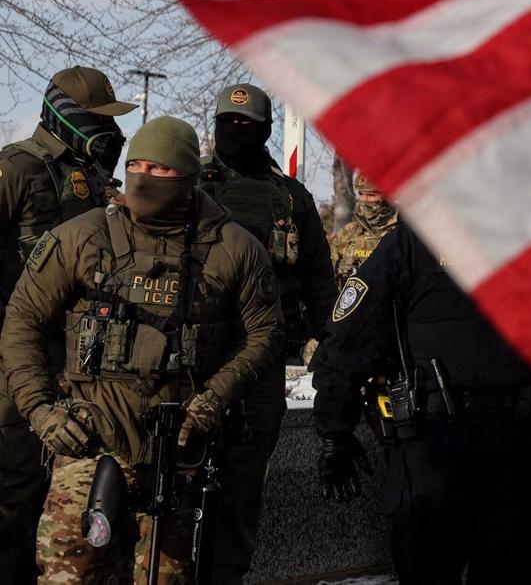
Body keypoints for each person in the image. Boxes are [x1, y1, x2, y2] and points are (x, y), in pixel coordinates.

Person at [0, 117, 284, 583]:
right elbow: (22, 320)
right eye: (135, 165)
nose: (143, 177)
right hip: (89, 443)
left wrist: (213, 400)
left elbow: (265, 334)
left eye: (158, 169)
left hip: (178, 452)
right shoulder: (81, 236)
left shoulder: (233, 248)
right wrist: (40, 410)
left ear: (188, 176)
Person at [313, 223, 531, 583]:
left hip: (436, 447)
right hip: (513, 442)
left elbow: (347, 343)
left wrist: (334, 431)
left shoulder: (409, 243)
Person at [0, 66, 134, 585]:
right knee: (13, 494)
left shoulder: (99, 182)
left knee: (63, 505)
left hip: (81, 367)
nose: (110, 132)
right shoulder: (16, 169)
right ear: (68, 115)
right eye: (99, 119)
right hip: (17, 364)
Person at [197, 83, 336, 583]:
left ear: (266, 132)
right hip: (196, 356)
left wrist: (331, 342)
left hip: (263, 357)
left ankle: (228, 573)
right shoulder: (193, 187)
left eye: (247, 125)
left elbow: (319, 280)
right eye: (227, 124)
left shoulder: (291, 198)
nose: (236, 132)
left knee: (244, 478)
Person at [329, 172, 399, 291]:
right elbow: (328, 279)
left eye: (371, 195)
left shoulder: (402, 234)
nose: (365, 200)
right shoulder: (348, 233)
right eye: (361, 194)